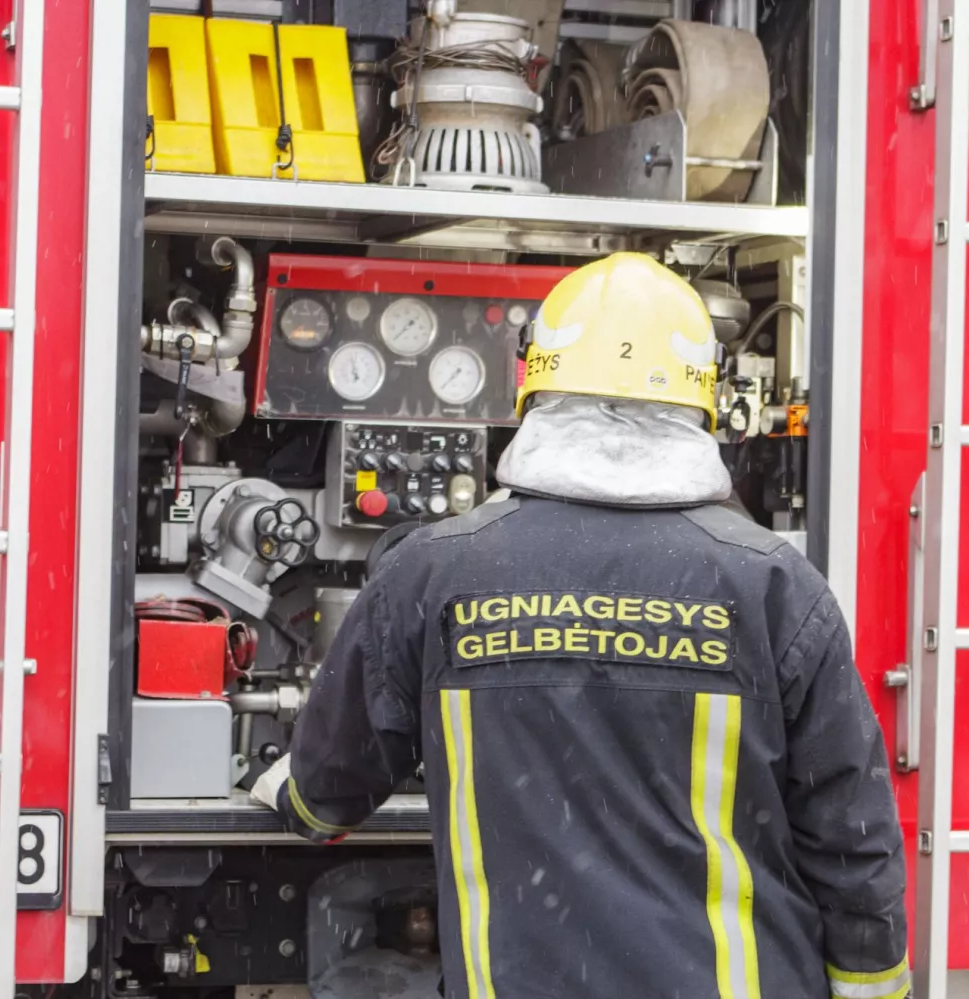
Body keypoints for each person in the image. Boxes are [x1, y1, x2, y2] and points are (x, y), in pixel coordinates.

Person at [251, 252, 909, 999]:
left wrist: (292, 794)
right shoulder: (774, 585)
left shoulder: (432, 573)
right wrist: (870, 984)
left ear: (532, 386)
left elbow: (329, 788)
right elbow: (851, 835)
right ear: (704, 399)